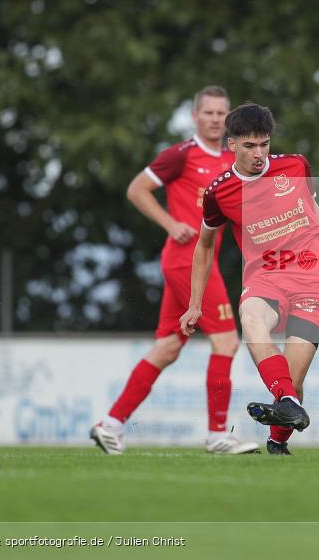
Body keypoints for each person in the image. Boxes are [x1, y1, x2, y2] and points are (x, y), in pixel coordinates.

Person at [90, 86, 259, 455]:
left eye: (221, 113)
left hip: (198, 262)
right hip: (186, 261)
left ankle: (110, 424)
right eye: (209, 113)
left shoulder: (234, 161)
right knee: (227, 341)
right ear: (195, 117)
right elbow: (137, 190)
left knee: (167, 348)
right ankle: (217, 434)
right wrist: (169, 224)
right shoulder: (181, 155)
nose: (215, 119)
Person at [179, 102, 319, 456]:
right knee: (252, 318)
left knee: (293, 377)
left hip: (313, 276)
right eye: (249, 146)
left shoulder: (296, 165)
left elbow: (313, 207)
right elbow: (204, 245)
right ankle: (286, 400)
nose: (259, 154)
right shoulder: (219, 192)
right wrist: (195, 304)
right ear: (232, 145)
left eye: (264, 144)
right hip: (266, 276)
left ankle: (277, 439)